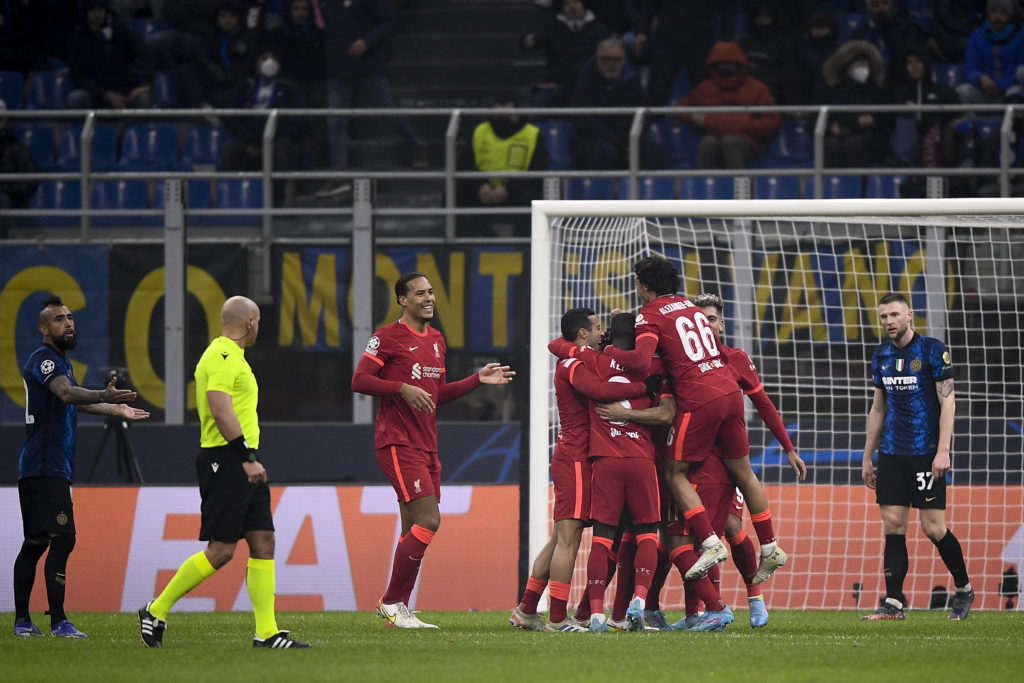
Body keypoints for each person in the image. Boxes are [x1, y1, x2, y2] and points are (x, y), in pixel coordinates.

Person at [599, 255, 788, 587]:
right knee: (744, 472)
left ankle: (710, 544)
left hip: (699, 396)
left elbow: (642, 363)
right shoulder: (690, 307)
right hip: (729, 391)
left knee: (674, 472)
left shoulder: (650, 314)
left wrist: (611, 350)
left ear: (643, 285)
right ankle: (770, 546)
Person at [138, 296, 311, 648]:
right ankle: (156, 609)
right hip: (227, 460)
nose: (259, 326)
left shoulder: (236, 358)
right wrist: (246, 457)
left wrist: (250, 457)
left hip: (243, 458)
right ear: (250, 322)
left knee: (264, 541)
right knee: (221, 550)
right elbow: (219, 409)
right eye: (258, 320)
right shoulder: (221, 355)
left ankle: (266, 632)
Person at [351, 272, 515, 629]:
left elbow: (436, 394)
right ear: (402, 300)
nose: (428, 298)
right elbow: (359, 380)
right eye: (420, 293)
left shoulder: (437, 340)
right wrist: (401, 389)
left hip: (426, 444)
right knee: (429, 521)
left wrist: (476, 380)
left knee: (413, 527)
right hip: (397, 441)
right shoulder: (387, 338)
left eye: (431, 292)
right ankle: (392, 601)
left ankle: (400, 608)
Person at [509, 307, 651, 633]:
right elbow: (600, 392)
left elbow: (560, 346)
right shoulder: (573, 364)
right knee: (569, 539)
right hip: (575, 458)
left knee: (560, 537)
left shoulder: (580, 356)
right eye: (598, 328)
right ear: (583, 333)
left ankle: (527, 610)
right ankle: (558, 620)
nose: (603, 333)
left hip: (585, 458)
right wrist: (645, 389)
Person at [14, 296, 148, 638]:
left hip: (44, 467)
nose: (69, 323)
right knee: (63, 538)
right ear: (44, 329)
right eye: (59, 319)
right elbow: (67, 395)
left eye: (70, 317)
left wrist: (114, 410)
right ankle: (58, 621)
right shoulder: (44, 360)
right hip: (45, 466)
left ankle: (22, 622)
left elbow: (75, 402)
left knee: (36, 541)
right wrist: (105, 395)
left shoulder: (62, 363)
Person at [860, 293, 974, 621]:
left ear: (909, 315)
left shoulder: (932, 350)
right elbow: (878, 407)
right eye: (884, 317)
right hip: (893, 453)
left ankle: (964, 589)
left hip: (926, 453)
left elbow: (948, 402)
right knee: (893, 525)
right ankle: (893, 604)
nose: (889, 322)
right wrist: (868, 457)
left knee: (933, 527)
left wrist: (943, 450)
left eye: (894, 315)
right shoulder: (880, 355)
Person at [580, 312, 672, 633]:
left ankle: (594, 615)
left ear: (608, 336)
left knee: (603, 538)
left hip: (605, 459)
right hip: (641, 458)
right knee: (648, 533)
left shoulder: (591, 361)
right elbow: (666, 410)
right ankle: (639, 602)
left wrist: (602, 350)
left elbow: (558, 347)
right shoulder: (652, 368)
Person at [319, 0, 424, 181]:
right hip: (339, 67)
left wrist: (367, 41)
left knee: (386, 109)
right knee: (336, 120)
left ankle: (413, 144)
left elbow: (390, 22)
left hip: (369, 65)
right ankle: (338, 173)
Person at [674, 41, 782, 170]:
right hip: (714, 140)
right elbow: (679, 108)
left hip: (747, 143)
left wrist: (709, 121)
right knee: (707, 143)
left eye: (730, 64)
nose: (726, 68)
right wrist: (693, 116)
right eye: (721, 64)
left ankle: (739, 189)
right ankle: (700, 188)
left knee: (730, 142)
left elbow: (774, 122)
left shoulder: (757, 89)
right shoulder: (705, 88)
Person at [219, 47, 305, 206]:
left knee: (281, 150)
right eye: (264, 57)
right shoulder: (246, 86)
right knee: (231, 149)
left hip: (280, 140)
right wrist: (250, 140)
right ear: (257, 62)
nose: (269, 62)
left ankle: (277, 202)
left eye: (274, 58)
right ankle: (230, 200)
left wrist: (268, 141)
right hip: (249, 141)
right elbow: (230, 115)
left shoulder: (291, 87)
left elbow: (296, 121)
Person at [457, 95, 549, 236]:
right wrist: (481, 185)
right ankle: (470, 245)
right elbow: (465, 164)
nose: (503, 118)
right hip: (484, 191)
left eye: (508, 114)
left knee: (533, 196)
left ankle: (524, 248)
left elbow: (537, 170)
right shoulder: (480, 131)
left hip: (516, 191)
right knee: (456, 193)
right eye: (499, 114)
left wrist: (508, 189)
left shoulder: (533, 134)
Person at [568, 37, 662, 170]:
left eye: (616, 59)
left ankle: (644, 189)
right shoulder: (585, 80)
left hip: (627, 139)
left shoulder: (632, 81)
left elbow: (642, 115)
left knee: (652, 151)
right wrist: (618, 142)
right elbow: (584, 120)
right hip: (592, 141)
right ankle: (603, 190)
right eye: (605, 59)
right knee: (605, 151)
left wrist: (631, 141)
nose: (611, 64)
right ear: (597, 58)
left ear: (623, 60)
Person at [635, 0, 739, 106]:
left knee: (705, 90)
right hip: (667, 37)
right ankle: (647, 120)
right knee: (657, 89)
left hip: (701, 38)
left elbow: (729, 4)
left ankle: (706, 121)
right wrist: (641, 30)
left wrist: (726, 38)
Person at [816, 40, 893, 169]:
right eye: (859, 63)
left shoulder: (878, 89)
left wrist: (874, 120)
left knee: (854, 144)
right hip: (837, 138)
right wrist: (830, 127)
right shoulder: (829, 89)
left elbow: (890, 120)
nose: (863, 67)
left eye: (866, 63)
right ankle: (830, 187)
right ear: (846, 65)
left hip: (871, 140)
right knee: (831, 145)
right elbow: (813, 121)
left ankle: (860, 187)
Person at [520, 0, 611, 107]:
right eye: (567, 4)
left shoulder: (599, 29)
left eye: (576, 2)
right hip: (558, 84)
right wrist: (526, 41)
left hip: (589, 85)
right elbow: (531, 42)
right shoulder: (553, 28)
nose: (572, 6)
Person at [66, 0, 153, 110]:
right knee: (76, 99)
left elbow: (145, 53)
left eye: (100, 9)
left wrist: (145, 84)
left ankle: (130, 127)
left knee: (144, 100)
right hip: (96, 93)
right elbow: (77, 75)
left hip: (124, 90)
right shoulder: (78, 38)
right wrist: (106, 95)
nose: (97, 14)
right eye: (92, 10)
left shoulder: (121, 30)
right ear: (86, 13)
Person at [957, 0, 1024, 106]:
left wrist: (1000, 85)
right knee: (963, 91)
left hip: (1011, 88)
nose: (998, 17)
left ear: (1009, 15)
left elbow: (1021, 69)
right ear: (988, 14)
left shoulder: (1021, 35)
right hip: (985, 90)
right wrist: (981, 78)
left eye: (1002, 12)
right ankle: (969, 123)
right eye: (993, 12)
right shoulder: (976, 35)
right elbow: (971, 67)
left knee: (1016, 93)